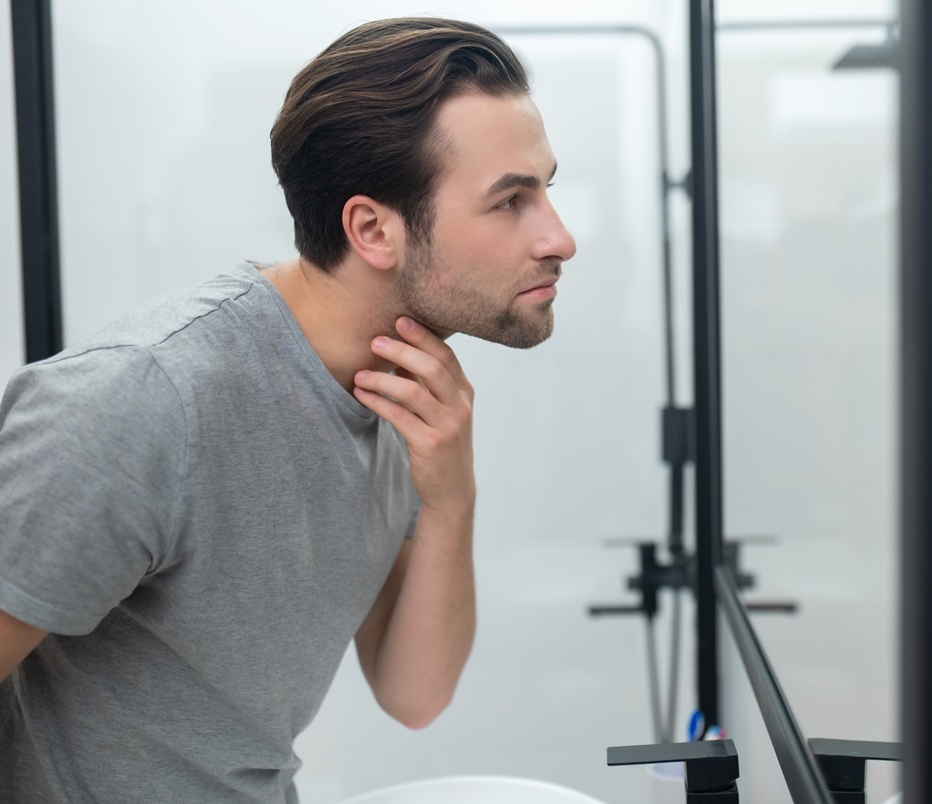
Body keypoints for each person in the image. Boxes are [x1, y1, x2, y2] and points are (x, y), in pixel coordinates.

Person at [0, 17, 576, 803]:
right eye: (511, 200)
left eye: (546, 187)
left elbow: (415, 695)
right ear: (373, 229)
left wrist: (450, 498)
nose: (560, 237)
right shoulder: (142, 398)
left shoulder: (390, 390)